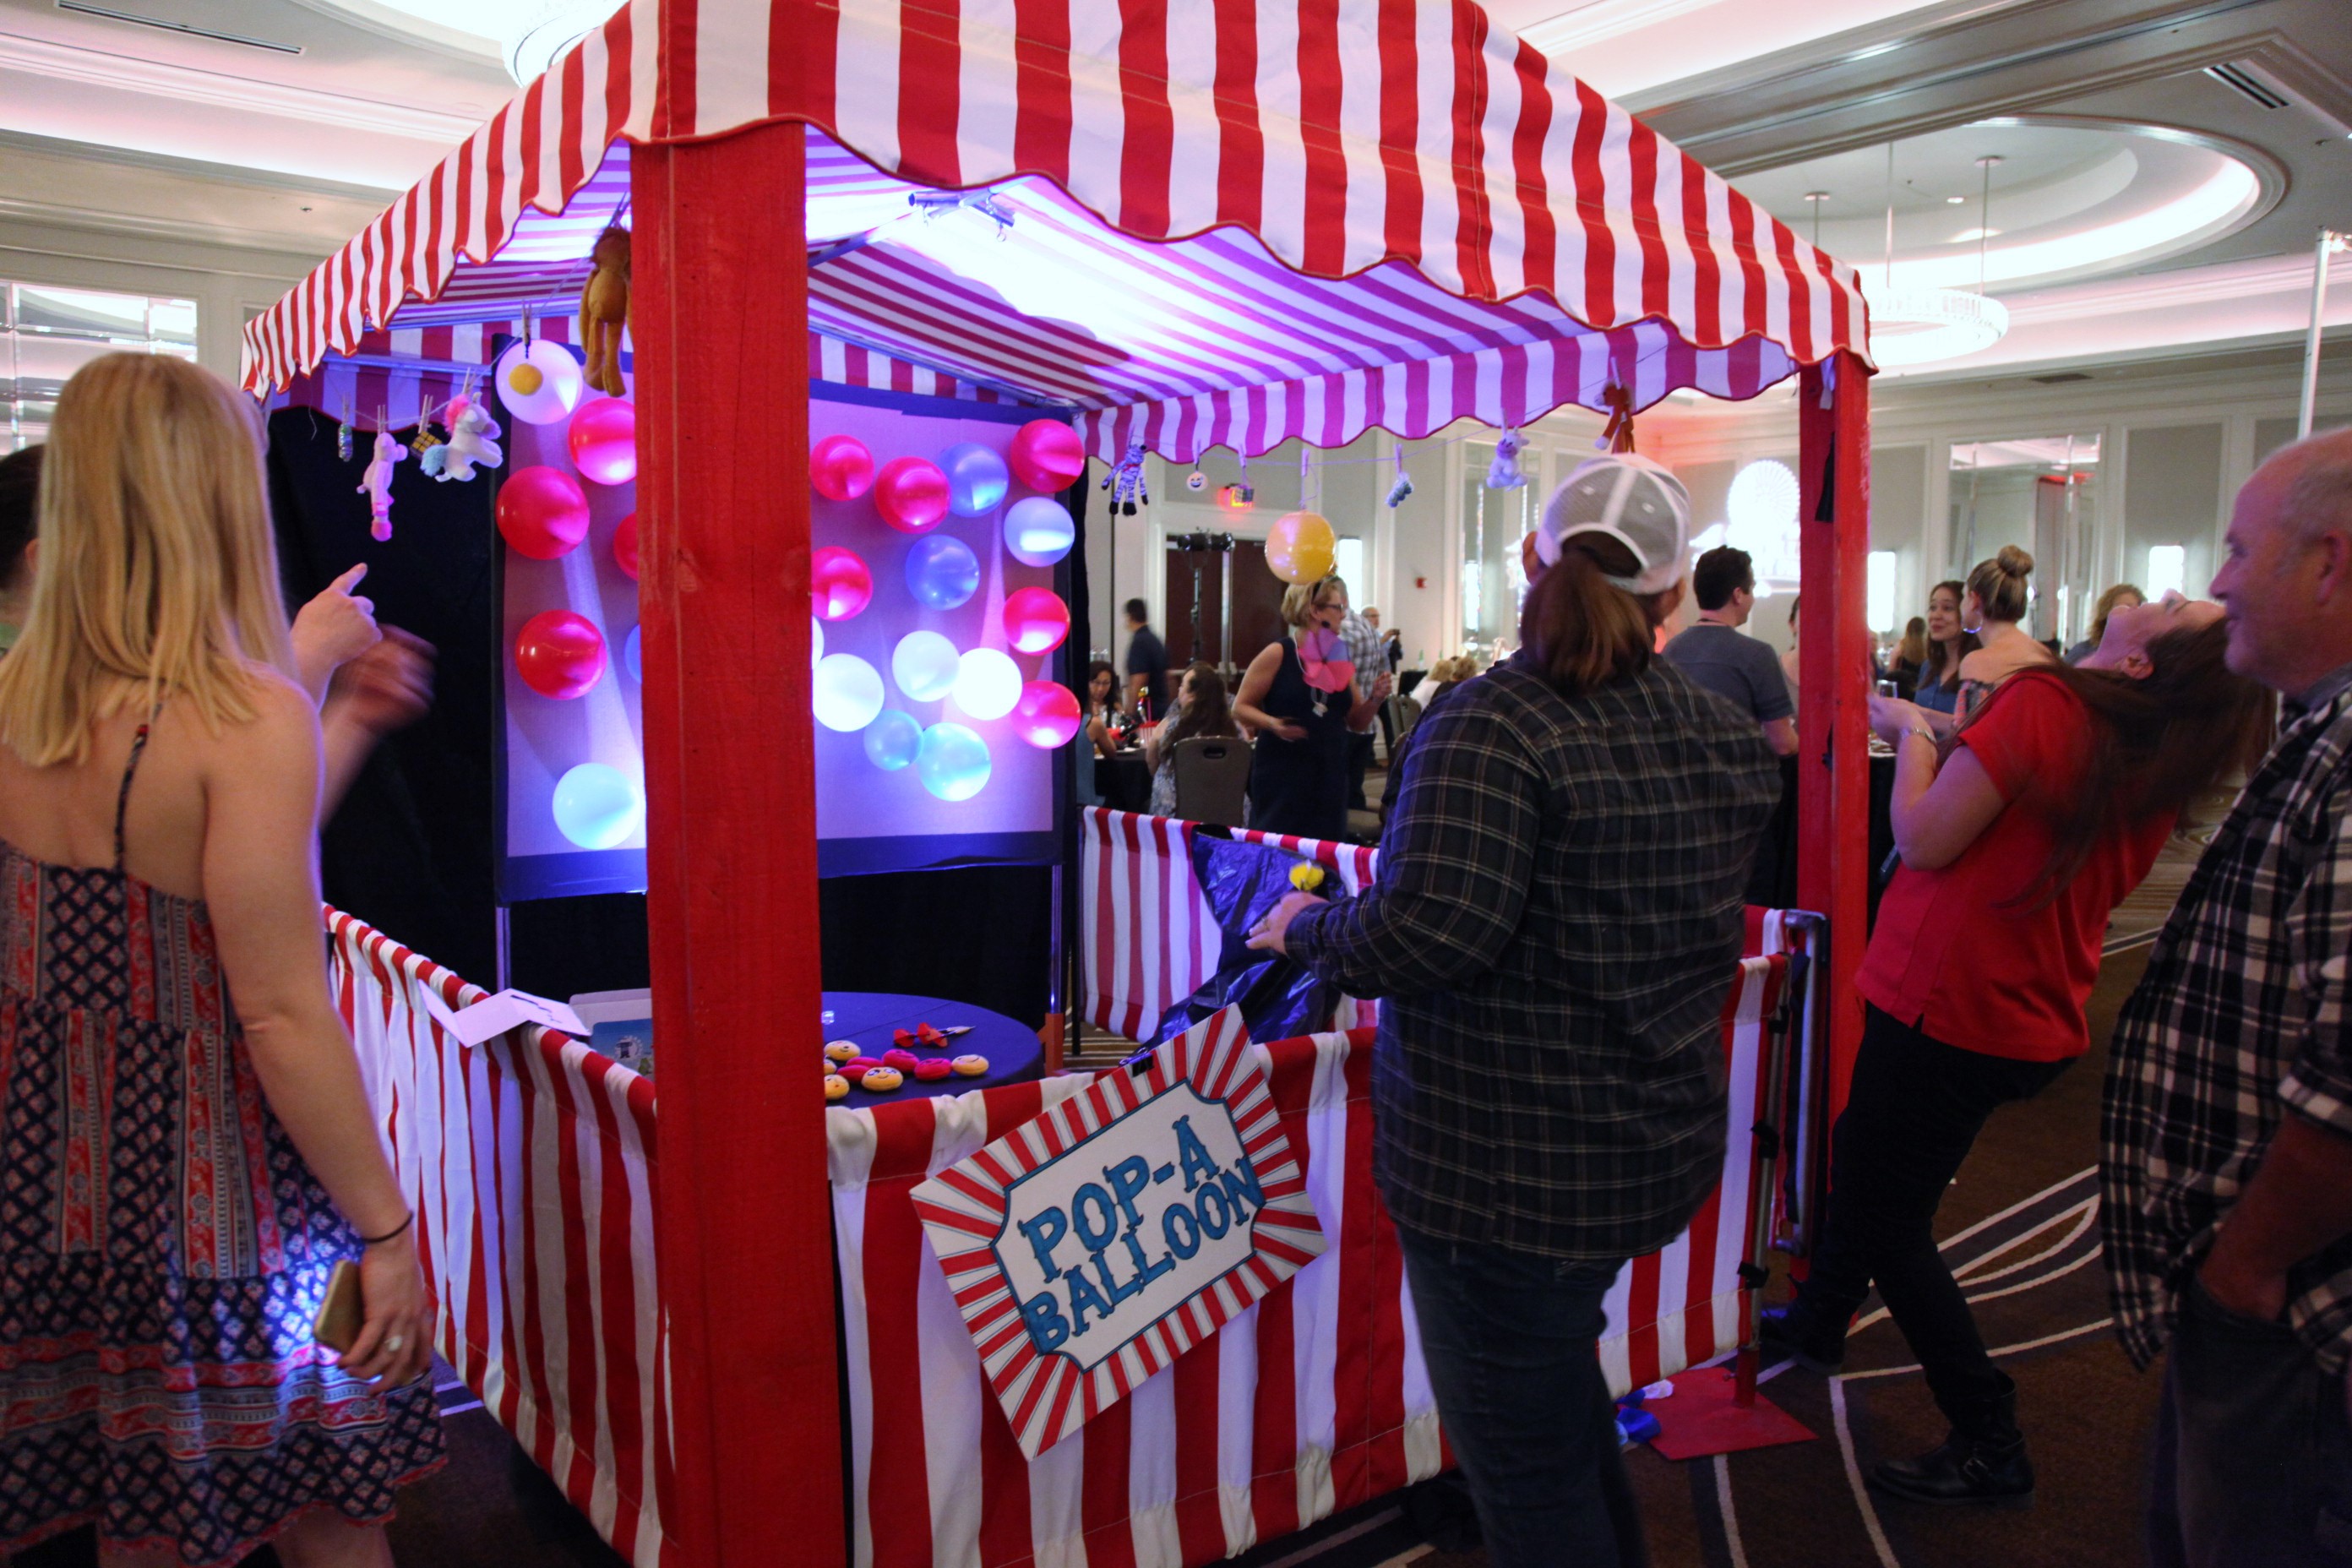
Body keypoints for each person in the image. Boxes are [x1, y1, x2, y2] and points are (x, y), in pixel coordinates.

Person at [1244, 454, 1779, 1568]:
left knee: (1529, 1479)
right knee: (1556, 1408)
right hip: (1651, 1145)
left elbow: (1427, 935)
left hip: (1502, 1175)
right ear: (1673, 588)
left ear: (1533, 559)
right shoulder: (1718, 727)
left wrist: (1304, 928)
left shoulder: (1493, 721)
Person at [0, 355, 443, 1566]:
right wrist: (386, 1231)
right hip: (220, 1177)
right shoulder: (243, 718)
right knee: (332, 1498)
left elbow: (194, 870)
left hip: (56, 1161)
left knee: (140, 1492)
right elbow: (281, 1012)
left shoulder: (20, 697)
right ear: (217, 500)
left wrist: (327, 703)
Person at [1761, 594, 2270, 1507]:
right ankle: (1819, 1320)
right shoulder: (2153, 747)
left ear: (2142, 661)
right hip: (2019, 1003)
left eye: (2169, 607)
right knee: (1873, 1161)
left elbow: (1922, 838)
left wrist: (1912, 733)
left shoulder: (2048, 703)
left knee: (1889, 1211)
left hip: (1948, 998)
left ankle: (1988, 1433)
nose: (2153, 596)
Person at [2103, 428, 2352, 1567]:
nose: (2217, 580)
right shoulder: (2318, 732)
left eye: (2243, 549)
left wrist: (2245, 1262)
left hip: (2294, 1306)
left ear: (2329, 564)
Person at [0, 444, 433, 819]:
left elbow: (262, 827)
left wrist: (353, 716)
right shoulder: (39, 694)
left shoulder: (86, 674)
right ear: (51, 562)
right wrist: (308, 660)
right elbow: (207, 830)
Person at [1233, 574, 1386, 841]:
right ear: (1315, 611)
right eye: (1338, 607)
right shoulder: (1279, 653)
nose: (1344, 615)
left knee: (1325, 850)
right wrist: (1273, 724)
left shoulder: (1338, 654)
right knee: (1280, 849)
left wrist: (1375, 698)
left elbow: (1356, 722)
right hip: (1283, 772)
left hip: (1330, 772)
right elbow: (1240, 707)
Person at [1663, 545, 1799, 757]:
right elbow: (1783, 744)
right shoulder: (1757, 656)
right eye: (1751, 589)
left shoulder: (1670, 651)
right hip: (1741, 776)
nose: (1753, 598)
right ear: (1738, 595)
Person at [1954, 547, 2055, 720]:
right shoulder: (2046, 655)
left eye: (1964, 596)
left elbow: (1967, 731)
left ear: (1974, 601)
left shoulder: (1977, 662)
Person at [1143, 661, 1242, 817]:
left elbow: (1151, 761)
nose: (1179, 689)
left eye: (1182, 685)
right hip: (1228, 812)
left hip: (1174, 814)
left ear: (1193, 695)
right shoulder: (1235, 729)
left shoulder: (1169, 725)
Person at [1333, 577, 1391, 810]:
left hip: (1344, 722)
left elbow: (1338, 678)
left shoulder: (1342, 629)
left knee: (1338, 798)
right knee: (1353, 793)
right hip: (1366, 720)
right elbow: (1383, 668)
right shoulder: (1367, 626)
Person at [1914, 580, 1979, 723]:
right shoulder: (1928, 667)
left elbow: (1976, 727)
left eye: (1947, 608)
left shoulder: (1977, 669)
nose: (1936, 615)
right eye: (1933, 607)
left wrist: (1920, 714)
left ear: (1966, 613)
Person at [2065, 582, 2144, 664]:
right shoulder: (2083, 651)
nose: (2123, 612)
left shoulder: (2145, 654)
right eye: (2118, 607)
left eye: (2129, 607)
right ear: (2106, 614)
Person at [1121, 598, 1170, 719]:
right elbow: (1168, 677)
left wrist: (1130, 712)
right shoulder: (1156, 641)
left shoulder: (1139, 643)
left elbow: (1139, 680)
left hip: (1148, 711)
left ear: (1129, 617)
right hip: (1162, 708)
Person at [1889, 616, 1928, 699]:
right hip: (1919, 691)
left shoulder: (1901, 647)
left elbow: (1891, 672)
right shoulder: (1927, 649)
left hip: (1901, 690)